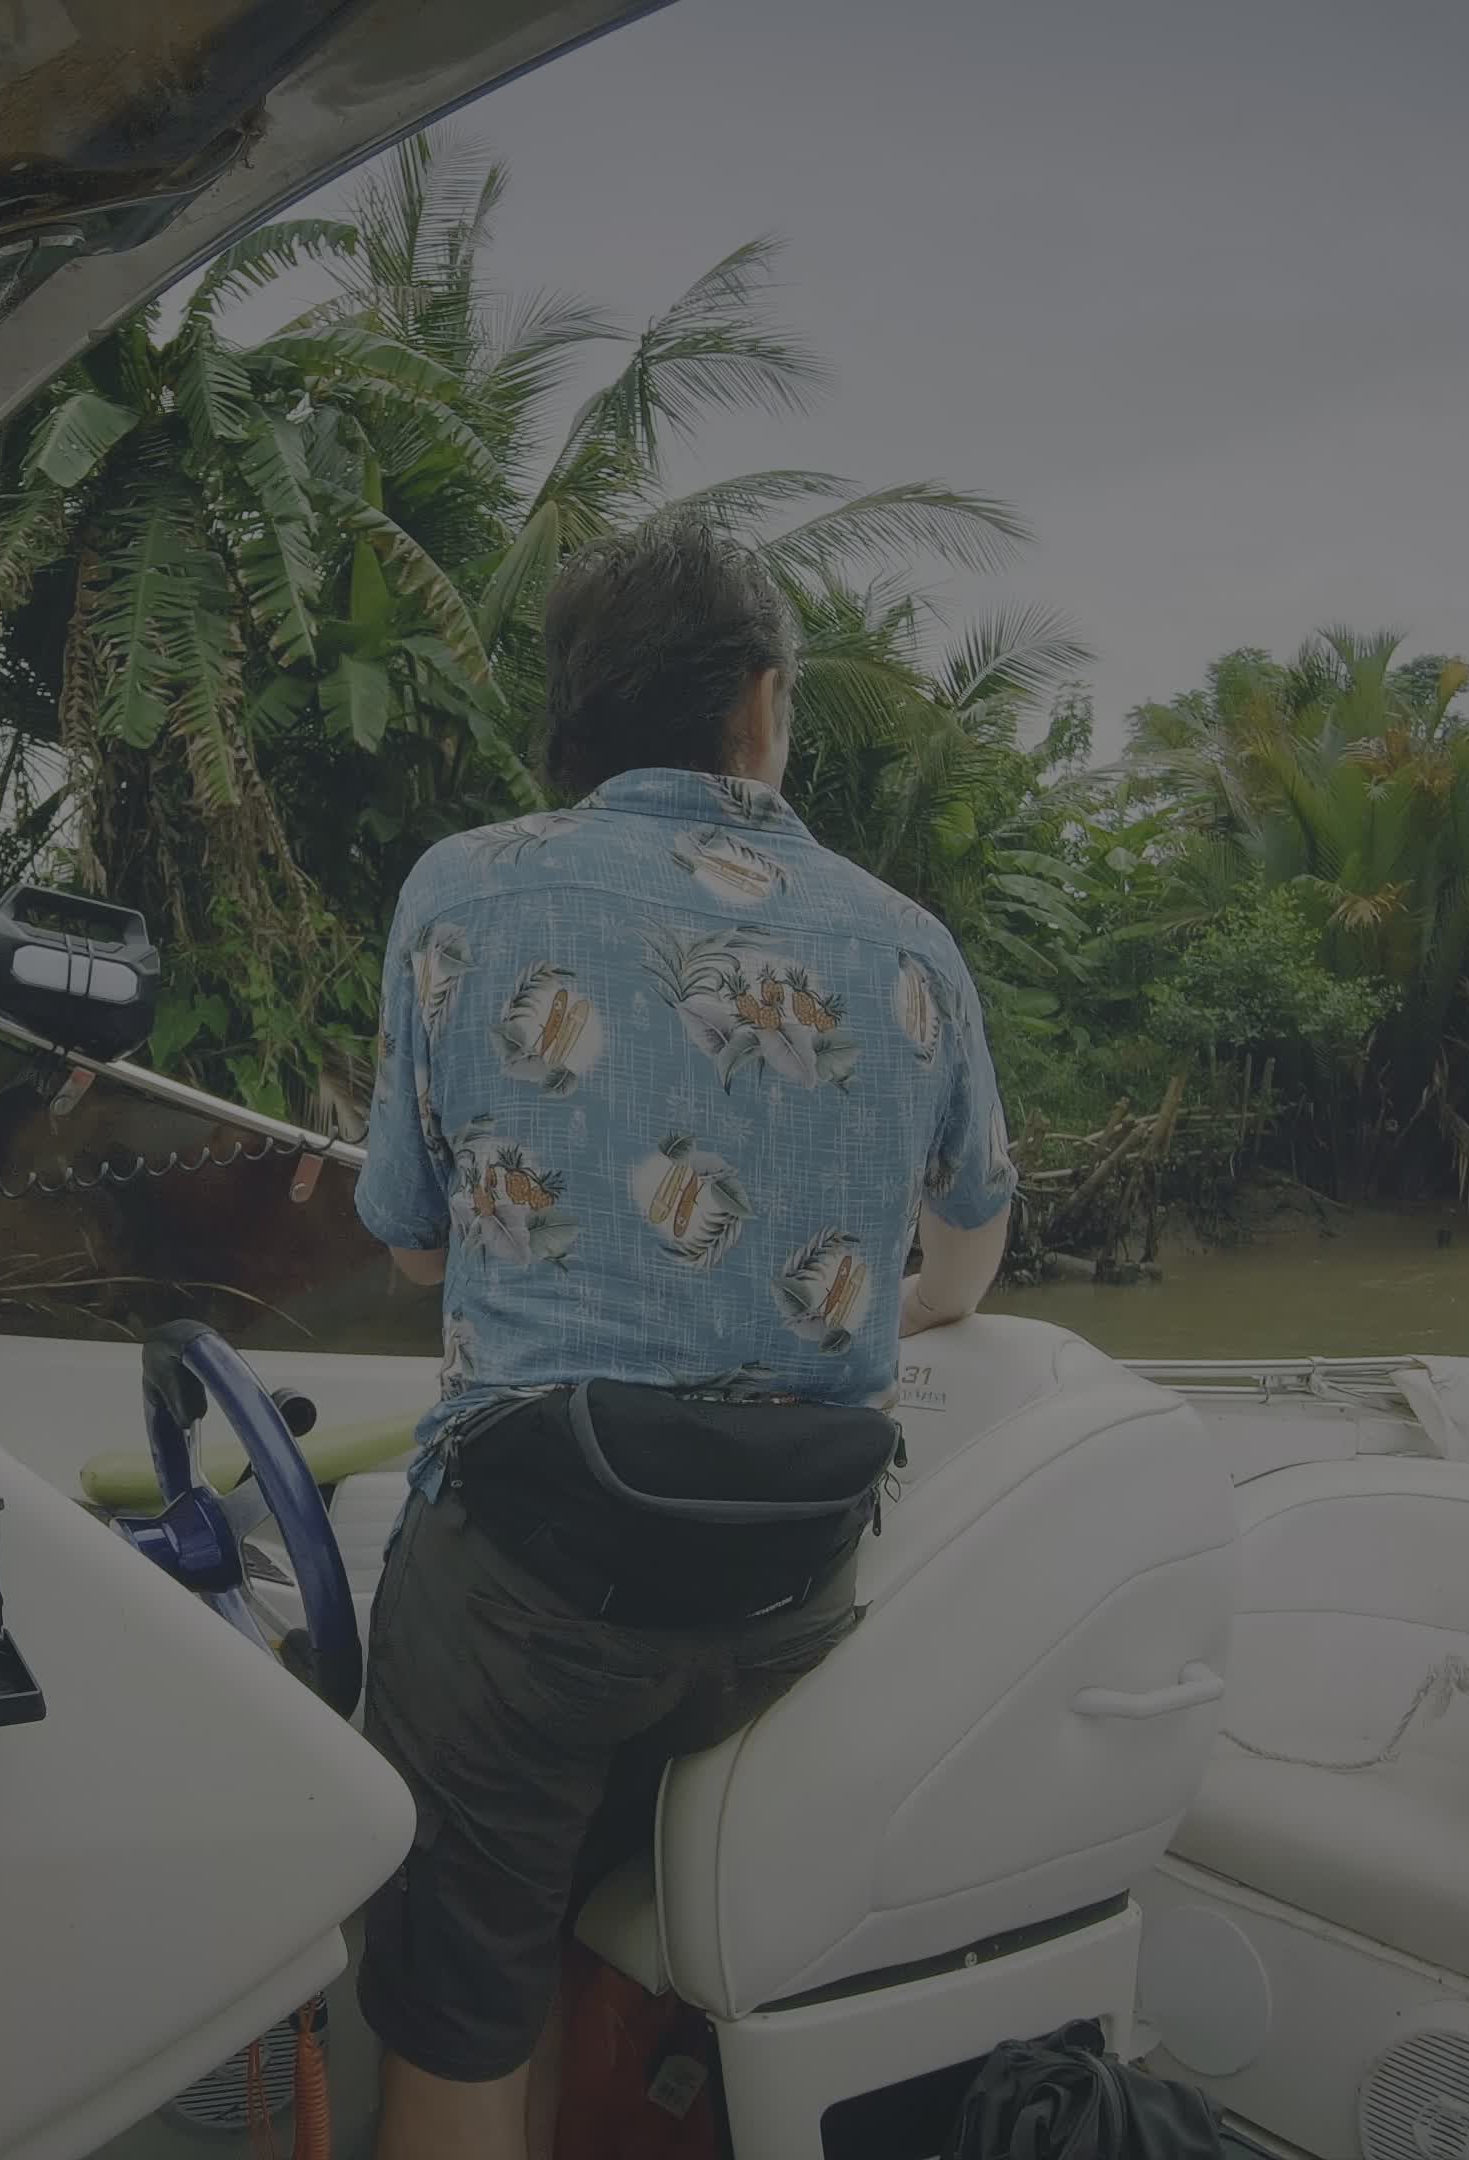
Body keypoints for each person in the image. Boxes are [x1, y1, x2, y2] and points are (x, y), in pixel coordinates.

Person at [348, 513, 1014, 2160]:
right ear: (762, 702)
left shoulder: (466, 889)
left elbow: (413, 1240)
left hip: (533, 1597)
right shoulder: (907, 942)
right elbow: (963, 1260)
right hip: (784, 1603)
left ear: (576, 715)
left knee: (462, 1987)